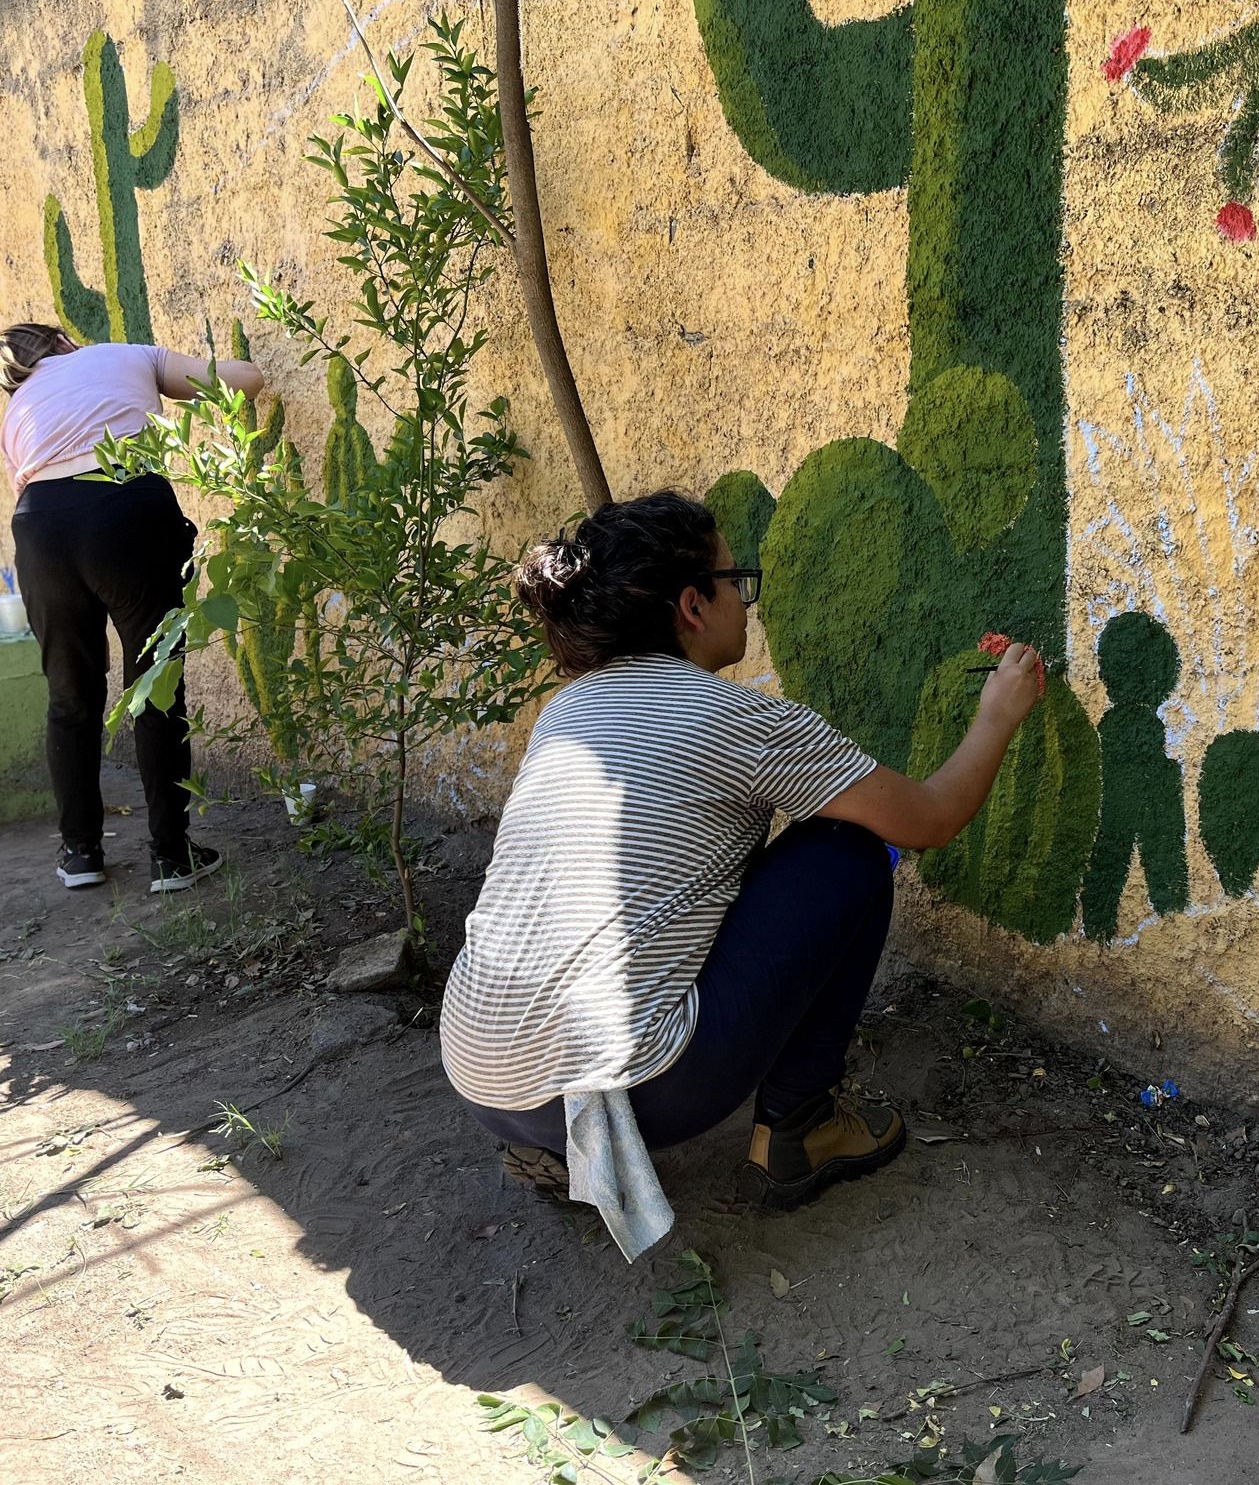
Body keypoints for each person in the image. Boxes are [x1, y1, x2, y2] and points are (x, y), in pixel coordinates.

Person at [439, 490, 1044, 1258]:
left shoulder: (567, 712)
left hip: (480, 1075)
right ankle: (801, 1127)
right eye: (737, 581)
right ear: (693, 605)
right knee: (847, 853)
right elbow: (927, 820)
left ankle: (560, 1142)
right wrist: (999, 713)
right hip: (647, 1092)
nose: (746, 604)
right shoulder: (737, 719)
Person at [0, 323, 261, 893]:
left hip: (40, 528)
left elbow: (39, 484)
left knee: (70, 697)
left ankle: (80, 855)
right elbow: (243, 381)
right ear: (66, 340)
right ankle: (171, 856)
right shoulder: (124, 355)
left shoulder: (18, 412)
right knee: (156, 686)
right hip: (124, 511)